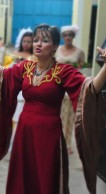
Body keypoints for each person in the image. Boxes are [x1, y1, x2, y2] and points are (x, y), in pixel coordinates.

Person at [0, 23, 106, 194]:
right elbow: (2, 76)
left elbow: (90, 89)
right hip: (24, 132)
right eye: (36, 40)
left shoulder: (62, 71)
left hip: (49, 134)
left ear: (54, 47)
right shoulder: (25, 67)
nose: (38, 44)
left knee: (46, 176)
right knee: (23, 175)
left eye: (44, 40)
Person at [55, 25, 85, 154]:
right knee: (58, 115)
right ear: (62, 37)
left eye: (70, 35)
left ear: (73, 37)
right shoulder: (56, 50)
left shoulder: (79, 52)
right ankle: (56, 141)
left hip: (72, 86)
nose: (68, 37)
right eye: (65, 35)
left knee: (70, 116)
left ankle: (67, 143)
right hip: (57, 85)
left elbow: (81, 68)